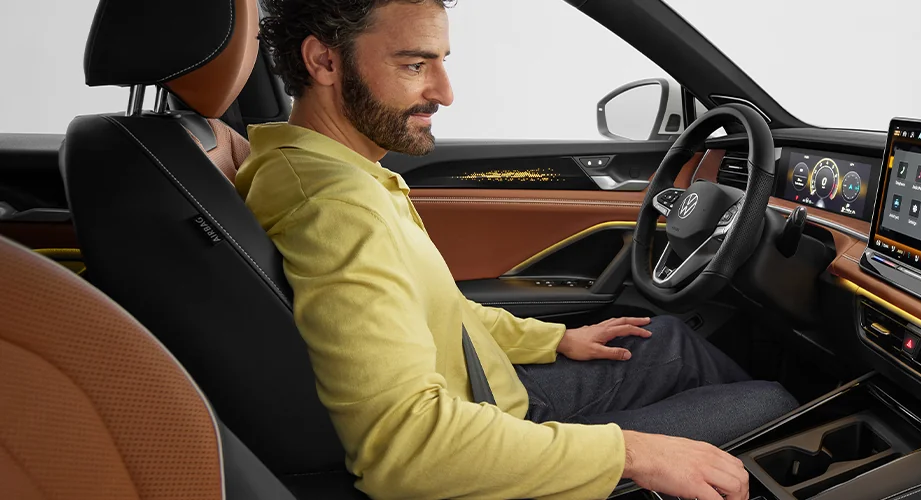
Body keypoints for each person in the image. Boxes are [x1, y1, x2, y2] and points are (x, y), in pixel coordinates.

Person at [236, 1, 798, 499]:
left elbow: (438, 311)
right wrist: (636, 454)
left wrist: (557, 338)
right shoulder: (337, 206)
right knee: (772, 404)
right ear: (324, 62)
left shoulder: (334, 170)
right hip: (473, 430)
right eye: (414, 64)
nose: (445, 92)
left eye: (442, 61)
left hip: (486, 391)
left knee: (667, 338)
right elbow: (407, 450)